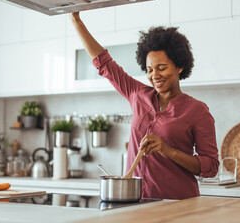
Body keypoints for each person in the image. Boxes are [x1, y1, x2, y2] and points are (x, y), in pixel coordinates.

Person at [70, 12, 219, 200]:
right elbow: (104, 64)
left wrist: (168, 151)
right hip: (134, 201)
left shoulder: (197, 111)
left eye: (162, 68)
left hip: (177, 205)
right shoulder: (137, 95)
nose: (155, 75)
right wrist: (76, 20)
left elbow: (211, 166)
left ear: (180, 66)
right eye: (149, 70)